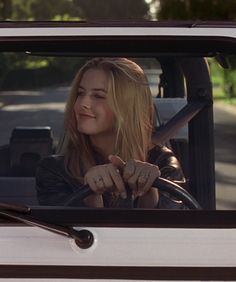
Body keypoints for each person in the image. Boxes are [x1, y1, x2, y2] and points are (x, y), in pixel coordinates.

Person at [36, 57, 185, 209]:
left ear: (128, 107)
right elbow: (62, 230)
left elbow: (176, 229)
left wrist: (150, 193)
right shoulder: (55, 169)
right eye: (80, 93)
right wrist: (90, 197)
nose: (82, 104)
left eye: (99, 96)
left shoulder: (163, 163)